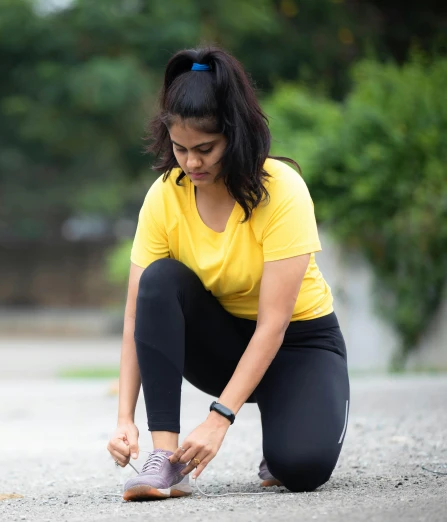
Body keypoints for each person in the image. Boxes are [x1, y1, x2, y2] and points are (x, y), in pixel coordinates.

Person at [106, 46, 350, 501]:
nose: (191, 163)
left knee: (300, 469)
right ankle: (165, 459)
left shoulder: (282, 191)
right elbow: (136, 318)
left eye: (205, 149)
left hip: (297, 344)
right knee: (158, 281)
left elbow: (274, 325)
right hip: (221, 344)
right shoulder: (164, 197)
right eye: (180, 149)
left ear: (234, 136)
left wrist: (219, 419)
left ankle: (285, 434)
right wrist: (124, 419)